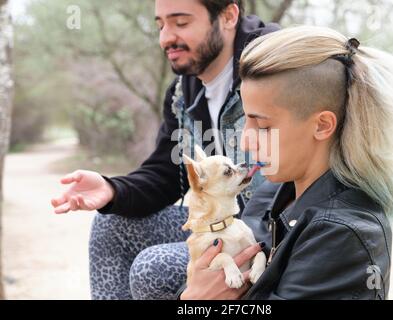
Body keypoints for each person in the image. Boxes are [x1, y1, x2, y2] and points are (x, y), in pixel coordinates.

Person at [178, 26, 393, 300]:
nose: (246, 141)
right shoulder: (273, 194)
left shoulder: (341, 236)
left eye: (262, 125)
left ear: (322, 125)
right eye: (246, 120)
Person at [50, 0, 279, 299]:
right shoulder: (182, 93)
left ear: (228, 15)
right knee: (110, 224)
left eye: (180, 23)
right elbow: (166, 172)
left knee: (154, 266)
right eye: (160, 25)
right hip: (218, 224)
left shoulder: (275, 70)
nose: (166, 38)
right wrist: (112, 189)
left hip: (270, 229)